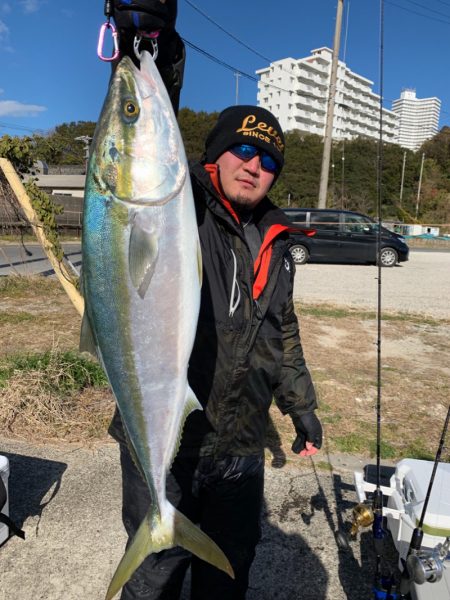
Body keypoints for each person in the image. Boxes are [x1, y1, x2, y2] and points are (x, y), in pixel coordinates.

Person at [108, 2, 323, 599]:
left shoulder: (277, 242)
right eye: (245, 151)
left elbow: (281, 328)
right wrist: (153, 42)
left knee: (227, 575)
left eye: (270, 160)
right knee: (155, 572)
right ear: (213, 154)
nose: (256, 166)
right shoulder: (184, 207)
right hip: (171, 439)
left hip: (241, 446)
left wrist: (300, 405)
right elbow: (145, 137)